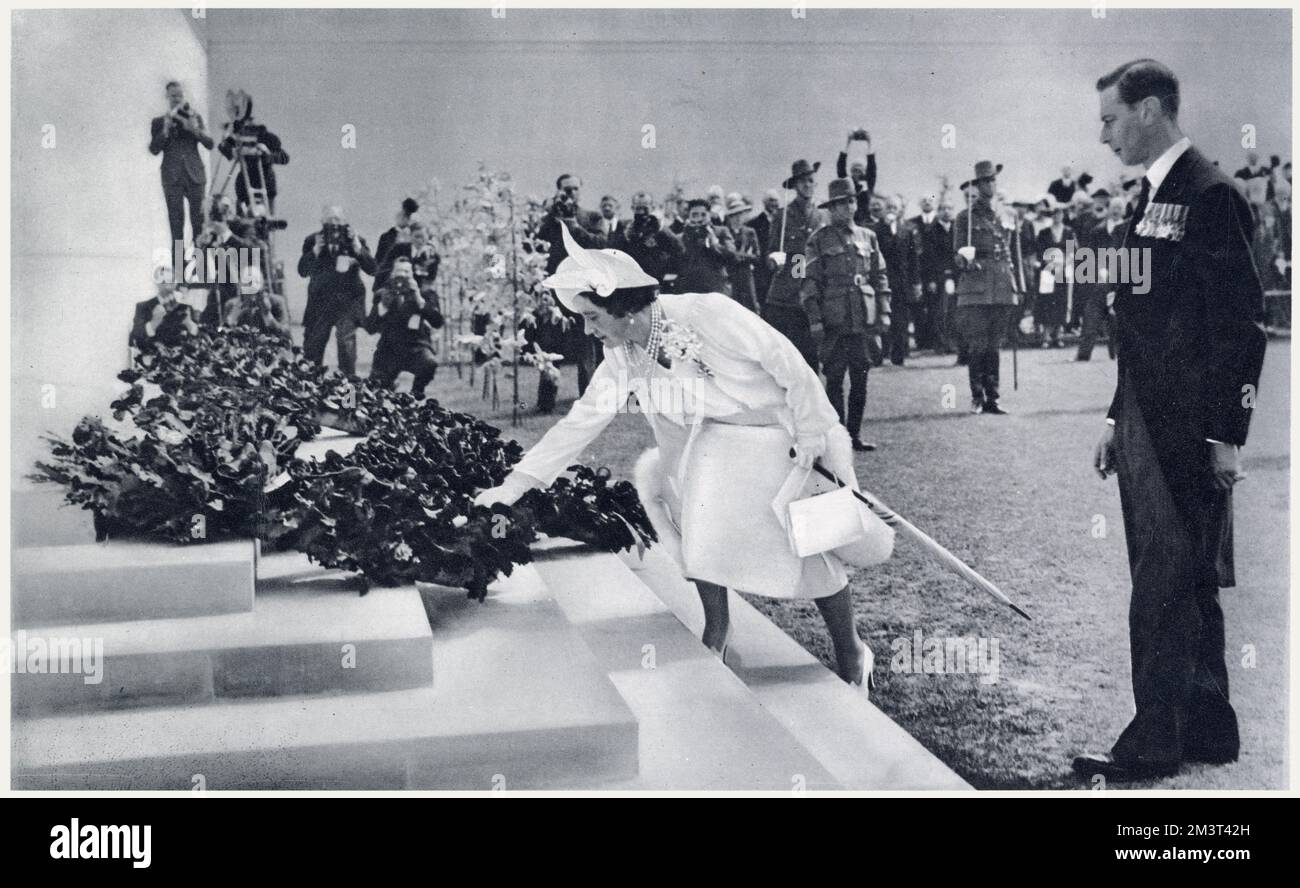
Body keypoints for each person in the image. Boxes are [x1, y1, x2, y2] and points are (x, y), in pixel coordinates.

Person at [474, 222, 883, 692]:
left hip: (781, 430)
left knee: (812, 542)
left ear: (623, 306)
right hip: (707, 442)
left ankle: (852, 651)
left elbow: (786, 360)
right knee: (692, 518)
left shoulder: (707, 311)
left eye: (592, 317)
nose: (587, 330)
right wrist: (516, 484)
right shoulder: (623, 357)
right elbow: (580, 422)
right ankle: (717, 630)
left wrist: (812, 430)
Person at [1076, 59, 1267, 783]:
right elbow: (1142, 326)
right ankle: (1209, 727)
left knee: (1164, 580)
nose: (1103, 136)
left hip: (1186, 428)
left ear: (1150, 110)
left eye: (1110, 119)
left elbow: (1242, 323)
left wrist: (1229, 433)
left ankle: (1154, 741)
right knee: (1186, 576)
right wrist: (1112, 413)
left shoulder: (1211, 195)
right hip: (1146, 419)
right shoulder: (1151, 198)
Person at [802, 178, 891, 453]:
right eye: (840, 204)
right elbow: (808, 282)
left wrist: (885, 312)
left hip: (863, 317)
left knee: (861, 378)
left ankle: (854, 434)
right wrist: (815, 319)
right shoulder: (818, 239)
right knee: (835, 379)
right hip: (834, 319)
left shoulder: (869, 236)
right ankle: (837, 438)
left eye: (851, 201)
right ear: (831, 208)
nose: (847, 208)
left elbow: (880, 277)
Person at [533, 173, 608, 412]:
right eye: (566, 190)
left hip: (583, 289)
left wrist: (574, 225)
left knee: (586, 347)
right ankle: (545, 402)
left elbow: (600, 244)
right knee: (548, 347)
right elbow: (535, 246)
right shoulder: (549, 221)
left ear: (581, 190)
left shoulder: (592, 217)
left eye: (575, 188)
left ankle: (589, 401)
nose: (571, 194)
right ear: (558, 191)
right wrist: (551, 218)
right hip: (555, 291)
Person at [953, 161, 1022, 415]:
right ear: (977, 185)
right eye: (984, 182)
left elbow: (1014, 252)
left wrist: (1020, 285)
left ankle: (993, 397)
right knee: (978, 345)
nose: (989, 185)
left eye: (992, 180)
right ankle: (977, 396)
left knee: (995, 345)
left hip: (1003, 284)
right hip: (976, 286)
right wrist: (965, 259)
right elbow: (957, 255)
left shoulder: (1007, 215)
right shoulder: (965, 217)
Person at [297, 205, 377, 377]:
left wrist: (357, 249)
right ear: (322, 222)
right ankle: (310, 393)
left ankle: (349, 399)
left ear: (345, 222)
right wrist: (315, 251)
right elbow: (302, 271)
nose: (334, 224)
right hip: (320, 303)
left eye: (338, 219)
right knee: (312, 351)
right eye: (329, 220)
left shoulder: (355, 240)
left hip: (347, 303)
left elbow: (373, 269)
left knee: (346, 349)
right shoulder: (312, 241)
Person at [764, 159, 827, 370]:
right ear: (795, 186)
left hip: (813, 295)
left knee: (811, 358)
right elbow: (770, 252)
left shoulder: (822, 216)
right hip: (786, 297)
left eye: (811, 181)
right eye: (802, 182)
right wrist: (775, 259)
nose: (807, 185)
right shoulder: (782, 216)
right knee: (786, 358)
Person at [149, 81, 214, 256]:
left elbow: (210, 144)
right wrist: (165, 129)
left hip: (195, 176)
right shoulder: (158, 122)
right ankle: (180, 275)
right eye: (173, 96)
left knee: (199, 225)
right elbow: (154, 149)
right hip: (172, 177)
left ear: (183, 96)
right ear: (167, 97)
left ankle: (202, 272)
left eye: (179, 95)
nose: (177, 99)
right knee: (176, 226)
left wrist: (195, 130)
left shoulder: (195, 118)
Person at [365, 256, 444, 398]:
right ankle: (389, 389)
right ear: (392, 274)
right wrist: (382, 307)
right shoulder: (382, 294)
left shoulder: (425, 294)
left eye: (406, 272)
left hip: (416, 346)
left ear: (413, 274)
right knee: (375, 390)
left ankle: (417, 391)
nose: (402, 276)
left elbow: (437, 322)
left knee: (429, 363)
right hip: (389, 349)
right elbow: (370, 327)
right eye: (398, 272)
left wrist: (420, 301)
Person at [217, 90, 288, 215]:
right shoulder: (237, 136)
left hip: (265, 184)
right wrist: (233, 150)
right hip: (245, 185)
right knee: (243, 221)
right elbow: (223, 147)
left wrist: (267, 154)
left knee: (265, 223)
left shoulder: (267, 137)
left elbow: (284, 157)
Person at [871, 194, 921, 365]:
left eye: (895, 207)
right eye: (889, 207)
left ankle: (899, 355)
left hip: (902, 282)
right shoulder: (876, 231)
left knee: (900, 319)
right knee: (882, 317)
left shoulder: (906, 230)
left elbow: (913, 258)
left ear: (900, 211)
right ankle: (882, 353)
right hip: (882, 280)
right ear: (884, 209)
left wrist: (915, 282)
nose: (891, 210)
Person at [1076, 195, 1126, 361]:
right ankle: (1084, 353)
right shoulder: (1098, 230)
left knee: (1119, 317)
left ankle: (1118, 352)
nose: (1116, 210)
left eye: (1120, 207)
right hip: (1100, 278)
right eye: (1114, 206)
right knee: (1091, 315)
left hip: (1122, 279)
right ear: (1108, 208)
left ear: (1124, 211)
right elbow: (1089, 253)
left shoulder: (1129, 230)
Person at [609, 191, 684, 284]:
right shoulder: (626, 228)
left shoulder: (660, 229)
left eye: (645, 208)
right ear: (632, 208)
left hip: (655, 279)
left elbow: (679, 250)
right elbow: (614, 251)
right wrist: (625, 235)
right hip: (631, 279)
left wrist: (666, 271)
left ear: (652, 208)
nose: (641, 212)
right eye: (638, 208)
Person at [673, 198, 735, 295]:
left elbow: (731, 255)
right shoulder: (681, 237)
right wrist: (688, 235)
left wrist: (714, 243)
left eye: (703, 214)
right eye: (694, 215)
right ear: (688, 217)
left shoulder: (721, 231)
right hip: (689, 290)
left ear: (709, 215)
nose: (699, 218)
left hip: (716, 289)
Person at [1034, 203, 1075, 347]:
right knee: (1047, 301)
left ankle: (1058, 335)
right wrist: (1051, 261)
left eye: (1059, 213)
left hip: (1063, 272)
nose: (1057, 216)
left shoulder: (1069, 232)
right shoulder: (1044, 232)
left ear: (1063, 215)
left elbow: (1072, 252)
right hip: (1048, 270)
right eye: (1054, 213)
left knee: (1061, 301)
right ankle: (1046, 336)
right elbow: (1040, 251)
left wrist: (1064, 263)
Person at [131, 272, 199, 350]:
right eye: (164, 282)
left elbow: (200, 340)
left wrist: (190, 324)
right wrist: (153, 324)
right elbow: (134, 339)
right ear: (157, 283)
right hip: (156, 358)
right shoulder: (143, 307)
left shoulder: (185, 307)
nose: (168, 286)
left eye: (172, 281)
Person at [722, 194, 761, 311]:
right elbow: (724, 254)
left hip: (746, 276)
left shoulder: (750, 232)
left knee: (751, 307)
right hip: (730, 276)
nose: (738, 218)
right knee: (732, 308)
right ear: (729, 217)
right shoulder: (725, 232)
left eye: (740, 214)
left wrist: (741, 255)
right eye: (734, 215)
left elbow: (757, 257)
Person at [374, 197, 421, 289]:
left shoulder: (419, 237)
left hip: (413, 288)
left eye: (408, 215)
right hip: (387, 286)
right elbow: (378, 265)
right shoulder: (386, 237)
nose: (404, 217)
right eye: (403, 213)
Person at [835, 129, 879, 224]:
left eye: (859, 171)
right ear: (851, 172)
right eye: (854, 170)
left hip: (866, 223)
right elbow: (840, 167)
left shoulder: (868, 186)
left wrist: (869, 142)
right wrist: (848, 142)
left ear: (864, 172)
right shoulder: (847, 185)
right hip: (850, 222)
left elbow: (872, 168)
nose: (857, 173)